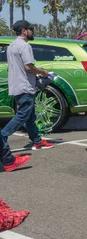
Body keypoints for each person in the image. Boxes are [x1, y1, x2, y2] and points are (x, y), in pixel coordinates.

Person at [1, 20, 53, 165]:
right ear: (24, 31)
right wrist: (43, 72)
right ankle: (3, 136)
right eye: (30, 29)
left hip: (17, 85)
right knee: (22, 115)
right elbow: (28, 67)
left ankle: (36, 140)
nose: (32, 32)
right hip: (25, 86)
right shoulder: (24, 46)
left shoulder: (11, 46)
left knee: (30, 115)